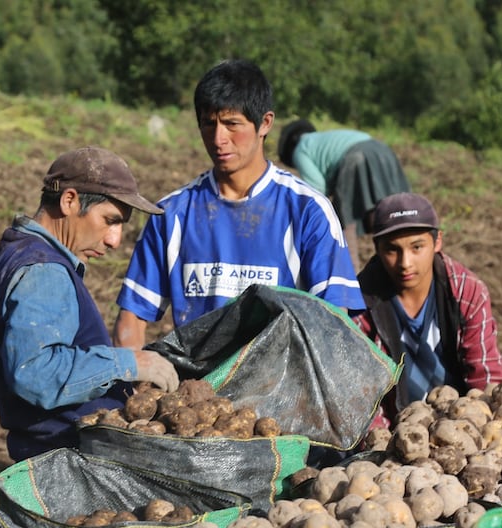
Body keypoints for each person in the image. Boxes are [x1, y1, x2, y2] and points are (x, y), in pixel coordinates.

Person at [114, 59, 365, 350]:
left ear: (265, 123)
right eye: (209, 124)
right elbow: (131, 318)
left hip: (279, 387)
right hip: (197, 388)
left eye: (232, 124)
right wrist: (131, 382)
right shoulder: (171, 215)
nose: (219, 138)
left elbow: (335, 323)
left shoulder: (308, 212)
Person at [0, 146, 179, 462]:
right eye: (109, 220)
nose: (114, 240)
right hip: (64, 458)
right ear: (69, 201)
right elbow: (35, 373)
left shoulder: (19, 251)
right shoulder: (43, 270)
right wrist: (128, 363)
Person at [354, 192, 502, 414]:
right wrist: (384, 442)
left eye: (417, 247)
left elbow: (484, 374)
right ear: (377, 248)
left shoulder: (467, 292)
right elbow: (362, 395)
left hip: (461, 417)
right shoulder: (359, 303)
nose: (405, 263)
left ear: (437, 242)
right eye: (392, 250)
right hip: (396, 425)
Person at [277, 119, 410, 270]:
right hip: (384, 151)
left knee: (344, 219)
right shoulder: (325, 139)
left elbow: (316, 187)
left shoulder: (300, 150)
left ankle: (350, 273)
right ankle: (398, 261)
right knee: (391, 213)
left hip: (356, 157)